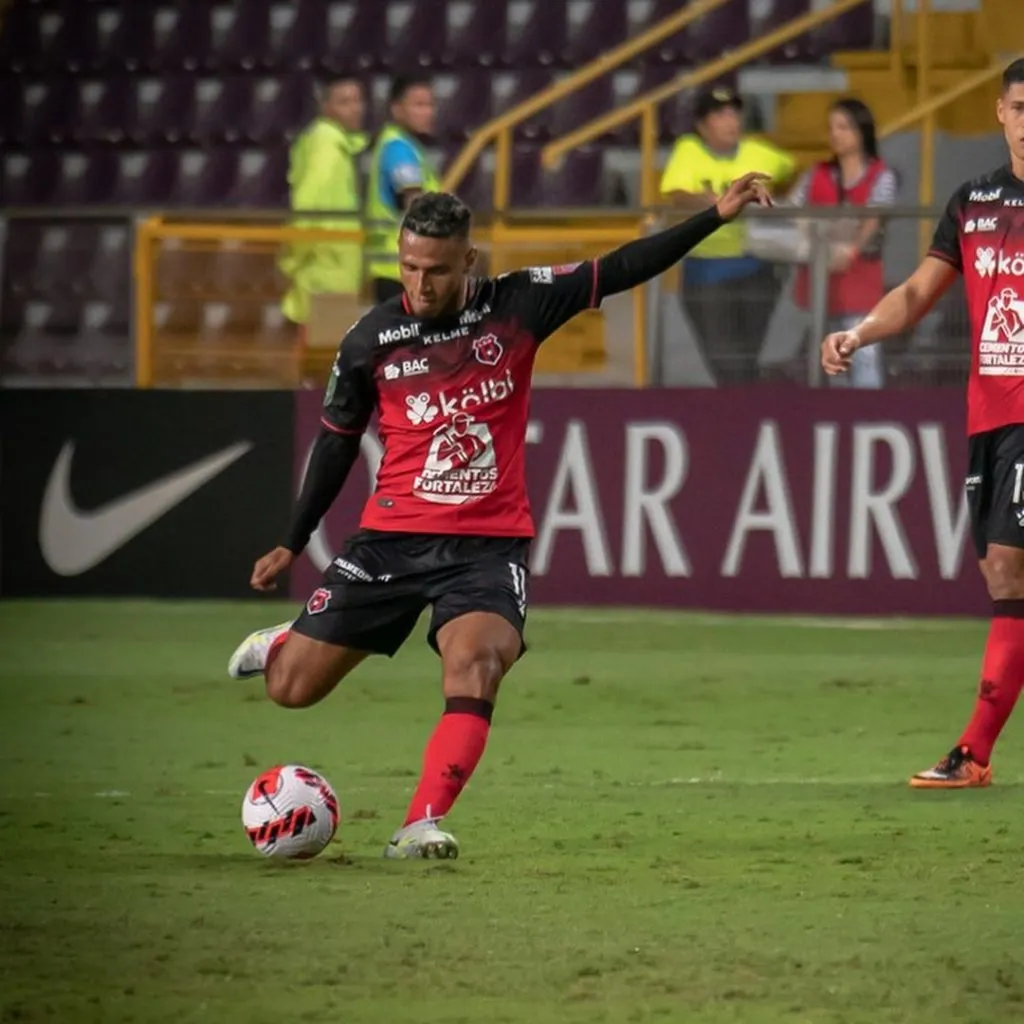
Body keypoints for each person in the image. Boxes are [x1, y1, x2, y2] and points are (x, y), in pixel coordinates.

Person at [228, 177, 773, 858]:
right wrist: (293, 539)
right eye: (409, 267)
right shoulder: (370, 339)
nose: (420, 285)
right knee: (291, 691)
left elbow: (624, 265)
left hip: (486, 548)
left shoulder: (519, 304)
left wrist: (713, 218)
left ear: (469, 263)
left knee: (477, 664)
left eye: (435, 270)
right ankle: (289, 640)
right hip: (389, 543)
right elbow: (338, 439)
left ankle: (418, 823)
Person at [821, 58, 1024, 788]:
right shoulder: (974, 201)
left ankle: (972, 752)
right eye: (1021, 108)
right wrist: (858, 335)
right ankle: (974, 754)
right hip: (989, 414)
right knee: (1001, 574)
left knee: (1009, 563)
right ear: (1000, 113)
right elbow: (915, 292)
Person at [659, 84, 795, 383]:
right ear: (702, 126)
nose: (730, 121)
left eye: (734, 113)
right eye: (719, 115)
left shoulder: (759, 153)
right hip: (707, 273)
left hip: (757, 269)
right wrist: (716, 205)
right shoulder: (689, 150)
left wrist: (776, 194)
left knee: (747, 359)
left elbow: (791, 171)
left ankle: (745, 417)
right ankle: (743, 417)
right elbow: (677, 194)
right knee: (726, 363)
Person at [791, 98, 898, 388]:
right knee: (828, 363)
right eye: (831, 128)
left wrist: (849, 250)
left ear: (862, 131)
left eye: (844, 127)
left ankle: (867, 418)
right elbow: (793, 211)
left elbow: (874, 219)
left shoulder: (882, 176)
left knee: (864, 358)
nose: (836, 134)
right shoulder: (817, 174)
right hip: (819, 284)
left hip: (859, 283)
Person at [280, 74, 368, 334]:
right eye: (344, 101)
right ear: (326, 107)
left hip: (336, 271)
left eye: (358, 100)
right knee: (325, 362)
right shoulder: (326, 145)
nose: (355, 108)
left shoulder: (341, 146)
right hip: (324, 272)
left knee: (329, 360)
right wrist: (293, 259)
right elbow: (307, 206)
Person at [365, 75, 440, 305]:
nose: (428, 112)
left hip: (399, 269)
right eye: (419, 105)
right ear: (397, 109)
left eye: (430, 105)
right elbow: (417, 207)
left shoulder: (404, 146)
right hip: (401, 272)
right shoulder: (399, 149)